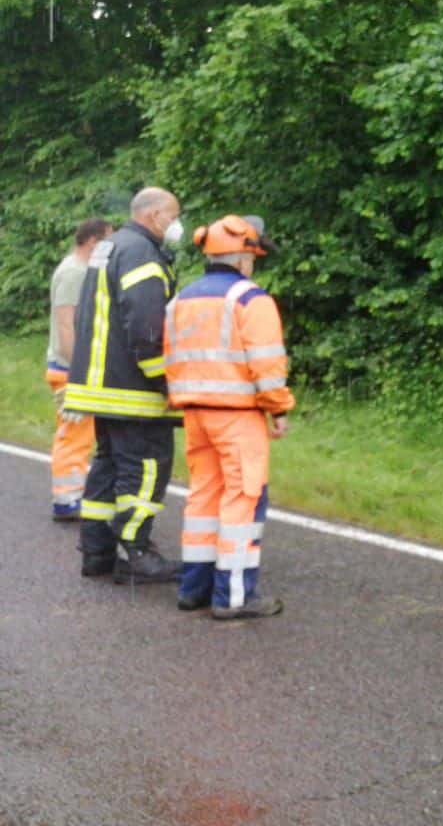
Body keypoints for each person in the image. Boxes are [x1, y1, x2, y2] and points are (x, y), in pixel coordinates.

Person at [164, 214, 294, 620]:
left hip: (195, 415)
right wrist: (279, 407)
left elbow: (170, 358)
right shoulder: (250, 299)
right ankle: (234, 597)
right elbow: (267, 366)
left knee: (203, 498)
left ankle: (193, 589)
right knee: (243, 499)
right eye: (253, 256)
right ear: (242, 258)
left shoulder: (181, 299)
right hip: (238, 417)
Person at [63, 187, 186, 583]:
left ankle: (97, 553)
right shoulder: (143, 254)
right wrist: (166, 381)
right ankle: (135, 553)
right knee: (146, 469)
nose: (176, 223)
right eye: (173, 214)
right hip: (132, 389)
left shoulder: (111, 247)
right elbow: (146, 325)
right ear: (152, 215)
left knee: (108, 468)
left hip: (99, 384)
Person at [45, 217, 113, 521]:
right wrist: (79, 370)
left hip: (73, 369)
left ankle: (74, 492)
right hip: (68, 370)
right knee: (73, 434)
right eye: (108, 240)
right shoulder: (73, 273)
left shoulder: (82, 270)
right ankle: (66, 498)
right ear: (92, 241)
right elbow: (65, 324)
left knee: (81, 434)